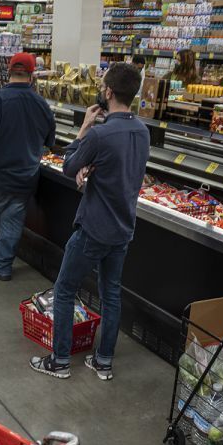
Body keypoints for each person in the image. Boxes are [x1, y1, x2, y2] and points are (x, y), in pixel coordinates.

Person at [29, 63, 149, 381]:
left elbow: (68, 166)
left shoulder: (100, 133)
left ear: (108, 92)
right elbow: (118, 168)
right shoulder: (142, 131)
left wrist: (83, 128)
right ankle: (104, 361)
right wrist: (93, 169)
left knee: (65, 288)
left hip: (94, 225)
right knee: (111, 292)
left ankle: (60, 361)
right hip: (124, 226)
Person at [0, 52, 55, 281]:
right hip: (24, 179)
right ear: (32, 75)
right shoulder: (42, 104)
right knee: (12, 223)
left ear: (8, 72)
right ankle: (4, 268)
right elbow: (48, 143)